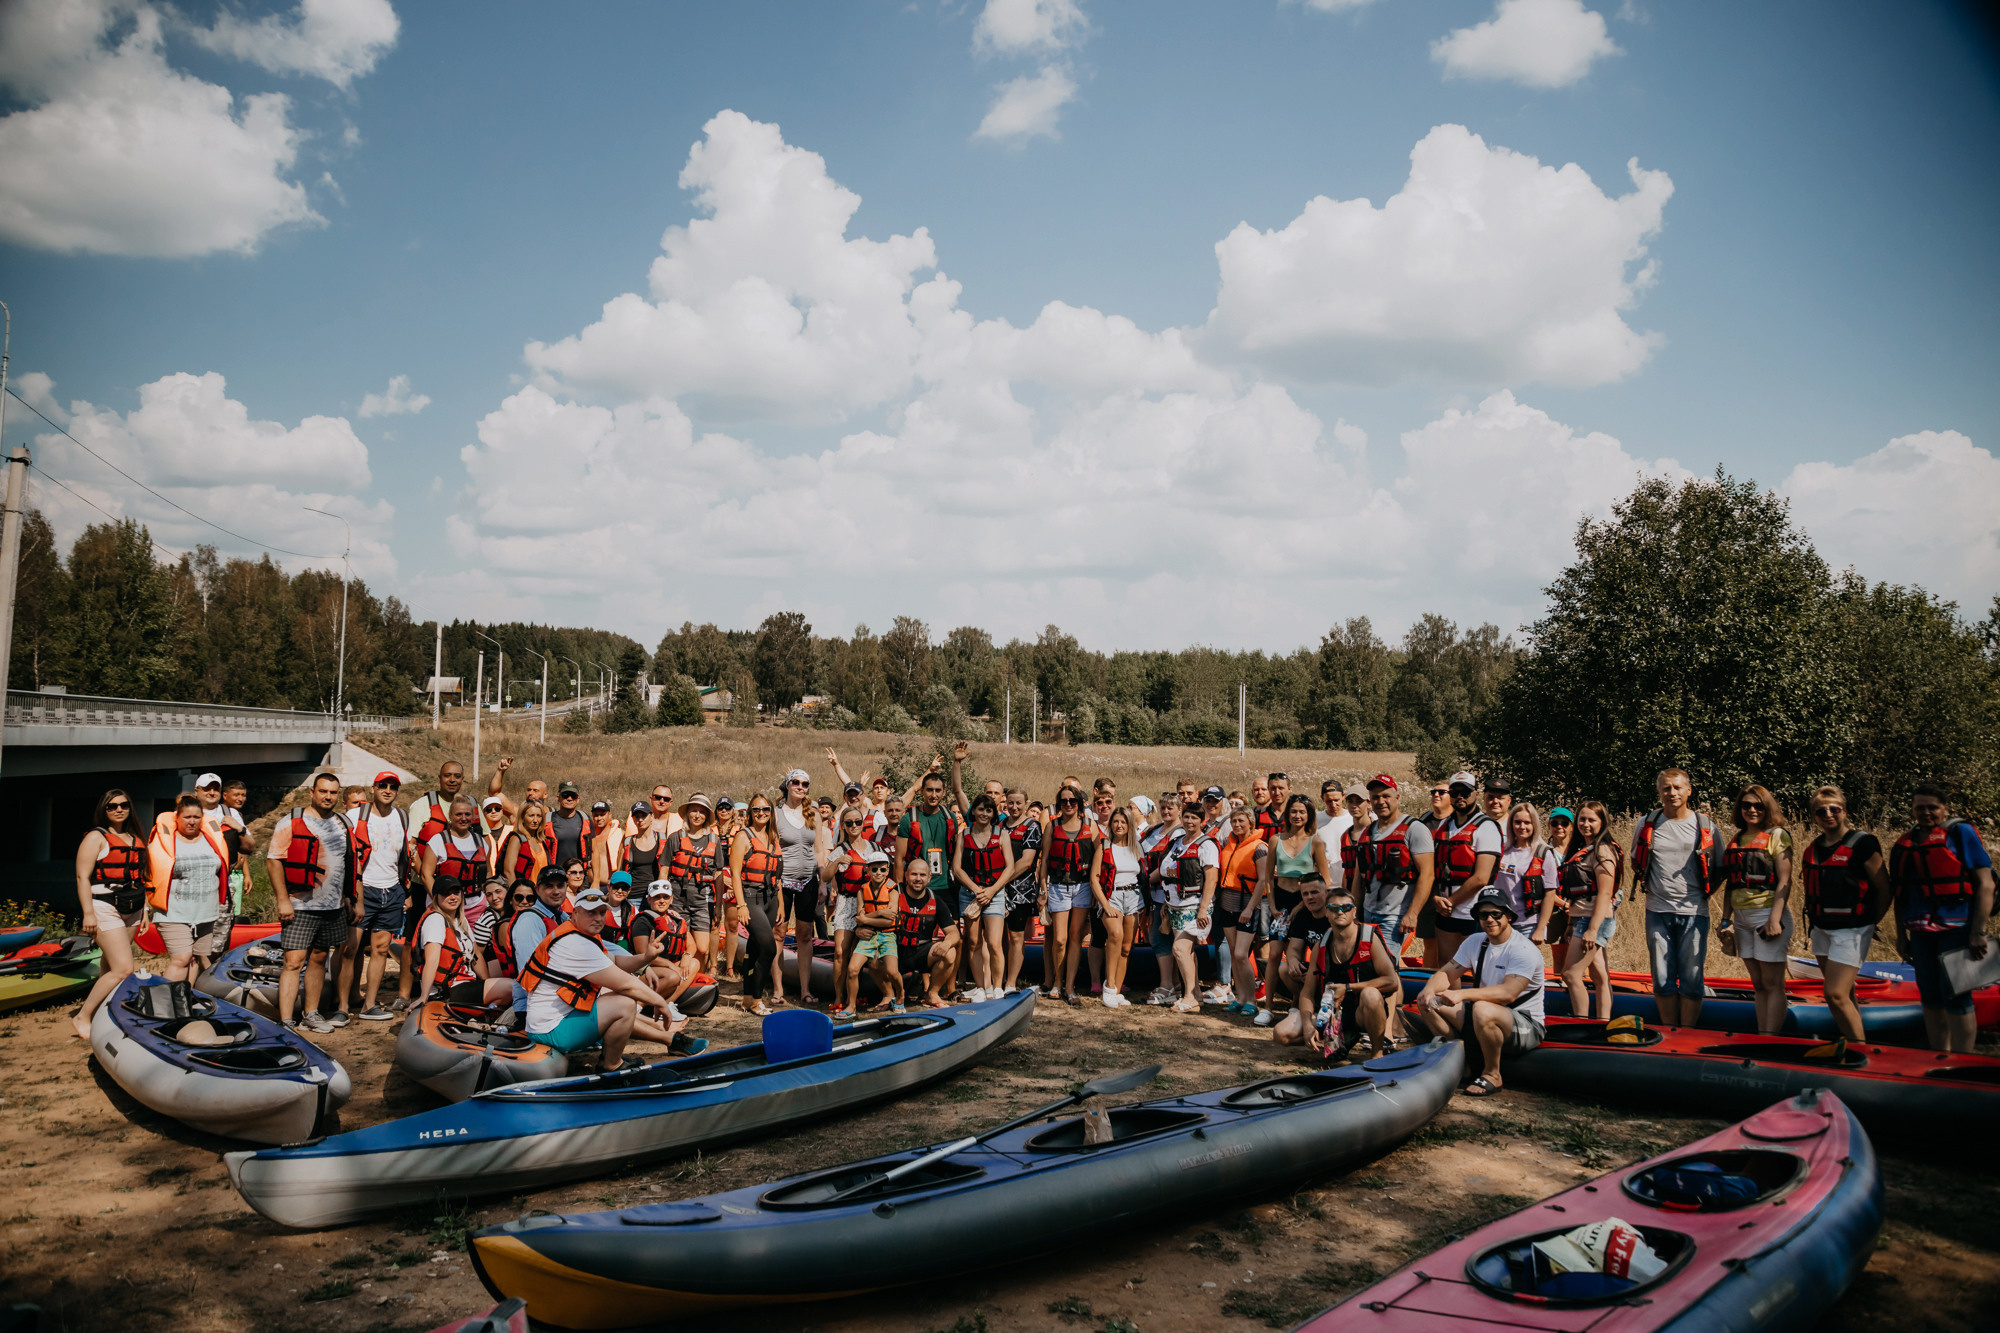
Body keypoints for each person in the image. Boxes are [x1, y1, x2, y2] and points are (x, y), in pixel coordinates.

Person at [520, 886, 681, 1072]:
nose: (598, 918)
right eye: (591, 913)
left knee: (620, 998)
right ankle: (611, 1065)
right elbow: (626, 985)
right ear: (575, 913)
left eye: (602, 912)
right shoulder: (575, 943)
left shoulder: (581, 934)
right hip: (550, 1030)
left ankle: (613, 1057)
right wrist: (659, 1002)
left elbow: (618, 961)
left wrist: (646, 957)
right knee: (624, 1003)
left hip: (553, 1022)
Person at [1891, 785, 1996, 1052]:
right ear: (1912, 809)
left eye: (1932, 807)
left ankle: (1963, 1060)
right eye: (1920, 807)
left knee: (1957, 996)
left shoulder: (1961, 833)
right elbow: (1900, 895)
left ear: (1945, 809)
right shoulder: (1905, 843)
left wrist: (1978, 932)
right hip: (1920, 933)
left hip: (1958, 930)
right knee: (1930, 996)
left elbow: (1986, 884)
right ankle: (1939, 1056)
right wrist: (1901, 937)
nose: (1926, 812)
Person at [1415, 886, 1545, 1096]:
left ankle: (1493, 1074)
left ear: (1509, 916)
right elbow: (1447, 973)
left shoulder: (1522, 949)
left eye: (1496, 914)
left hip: (1525, 1023)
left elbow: (1508, 993)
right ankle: (1462, 1064)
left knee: (1482, 1008)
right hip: (1485, 1014)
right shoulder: (1475, 941)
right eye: (1483, 915)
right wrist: (1428, 990)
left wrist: (1461, 994)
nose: (1490, 919)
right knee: (1427, 1002)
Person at [1800, 785, 1891, 1043]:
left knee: (1835, 994)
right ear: (1814, 816)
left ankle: (1861, 1050)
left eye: (1834, 809)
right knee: (1846, 994)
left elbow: (1885, 889)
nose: (1828, 814)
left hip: (1852, 929)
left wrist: (1871, 922)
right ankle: (1853, 1043)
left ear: (1844, 811)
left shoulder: (1863, 844)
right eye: (1821, 811)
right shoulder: (1813, 848)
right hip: (1821, 929)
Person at [1631, 768, 1719, 1028]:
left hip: (1694, 912)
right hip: (1657, 911)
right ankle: (1670, 1031)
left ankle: (1687, 1032)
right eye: (1666, 788)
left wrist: (1705, 894)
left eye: (1677, 787)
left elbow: (1720, 866)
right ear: (1659, 792)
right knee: (1661, 978)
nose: (1672, 793)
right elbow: (1636, 860)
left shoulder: (1705, 825)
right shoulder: (1647, 823)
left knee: (1692, 978)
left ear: (1688, 791)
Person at [266, 772, 352, 1032]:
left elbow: (350, 861)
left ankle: (311, 1015)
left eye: (333, 792)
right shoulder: (291, 821)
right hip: (300, 904)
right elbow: (274, 860)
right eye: (323, 791)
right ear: (312, 793)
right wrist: (283, 900)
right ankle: (286, 1021)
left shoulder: (342, 823)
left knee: (319, 958)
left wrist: (350, 897)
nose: (328, 797)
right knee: (293, 961)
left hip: (332, 905)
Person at [1717, 785, 1796, 1036]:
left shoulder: (1777, 835)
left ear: (1767, 807)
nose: (1752, 810)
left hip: (1767, 915)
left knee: (1773, 983)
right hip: (1741, 919)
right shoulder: (1737, 839)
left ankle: (1770, 1039)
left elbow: (1785, 881)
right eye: (1747, 805)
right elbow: (1732, 883)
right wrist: (1725, 919)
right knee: (1759, 984)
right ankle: (1763, 1033)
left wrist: (1775, 919)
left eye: (1758, 805)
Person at [70, 789, 148, 1037]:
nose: (118, 809)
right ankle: (82, 1017)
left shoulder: (134, 838)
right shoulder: (96, 837)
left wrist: (145, 910)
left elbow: (140, 877)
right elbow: (82, 877)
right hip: (104, 906)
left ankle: (102, 1013)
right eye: (112, 806)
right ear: (104, 810)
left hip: (133, 907)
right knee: (123, 968)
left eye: (123, 805)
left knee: (110, 963)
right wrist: (88, 913)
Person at [1297, 884, 1403, 1060]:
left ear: (1354, 912)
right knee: (1283, 1034)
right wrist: (1307, 1024)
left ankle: (1377, 1053)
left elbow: (1392, 982)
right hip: (1333, 1014)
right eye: (1333, 908)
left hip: (1363, 1012)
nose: (1340, 912)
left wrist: (1348, 988)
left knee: (1370, 994)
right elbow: (1306, 993)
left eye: (1346, 908)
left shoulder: (1369, 938)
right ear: (1326, 912)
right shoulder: (1321, 945)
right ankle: (1338, 1039)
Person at [1253, 794, 1331, 1027]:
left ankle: (1296, 1004)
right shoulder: (1276, 839)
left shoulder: (1315, 842)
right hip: (1281, 902)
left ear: (1309, 815)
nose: (1297, 816)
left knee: (1298, 952)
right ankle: (1268, 1007)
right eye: (1294, 811)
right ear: (1287, 814)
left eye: (1302, 812)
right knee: (1274, 954)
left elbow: (1325, 879)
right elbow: (1268, 877)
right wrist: (1272, 905)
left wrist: (1302, 905)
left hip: (1305, 901)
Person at [349, 772, 412, 1021]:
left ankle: (369, 1004)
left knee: (381, 949)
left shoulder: (402, 817)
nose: (387, 790)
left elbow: (405, 856)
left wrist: (405, 891)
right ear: (373, 788)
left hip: (392, 889)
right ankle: (342, 1005)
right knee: (350, 949)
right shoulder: (355, 815)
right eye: (382, 785)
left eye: (392, 787)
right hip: (363, 889)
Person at [1555, 801, 1622, 1022]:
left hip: (1594, 919)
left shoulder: (1603, 850)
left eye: (1592, 820)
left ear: (1602, 822)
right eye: (1582, 819)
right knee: (1599, 976)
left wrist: (1592, 929)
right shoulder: (1582, 849)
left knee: (1571, 974)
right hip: (1580, 917)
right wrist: (1570, 924)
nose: (1586, 824)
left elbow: (1605, 893)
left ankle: (1581, 1022)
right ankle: (1603, 1022)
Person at [1354, 775, 1432, 954]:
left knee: (1386, 965)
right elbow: (1359, 878)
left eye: (1386, 796)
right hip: (1368, 913)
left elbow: (1427, 875)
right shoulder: (1367, 832)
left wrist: (1412, 913)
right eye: (1375, 797)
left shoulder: (1415, 829)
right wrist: (1354, 912)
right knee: (1367, 963)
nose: (1381, 801)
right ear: (1370, 802)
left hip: (1395, 916)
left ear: (1397, 798)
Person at [1432, 772, 1502, 969]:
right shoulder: (1444, 825)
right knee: (1447, 965)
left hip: (1474, 911)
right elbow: (1433, 868)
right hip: (1445, 911)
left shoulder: (1486, 827)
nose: (1460, 796)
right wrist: (1436, 898)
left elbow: (1481, 877)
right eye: (1455, 792)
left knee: (1478, 966)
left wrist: (1450, 902)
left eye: (1465, 792)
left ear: (1476, 794)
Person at [1156, 799, 1218, 1015]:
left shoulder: (1206, 845)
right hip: (1175, 905)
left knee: (1180, 949)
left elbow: (1211, 879)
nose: (1190, 821)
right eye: (1187, 817)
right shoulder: (1177, 842)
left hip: (1194, 905)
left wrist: (1203, 910)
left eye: (1194, 818)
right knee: (1187, 952)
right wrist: (1167, 902)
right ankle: (1196, 994)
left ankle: (1189, 997)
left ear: (1202, 821)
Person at [952, 792, 1014, 1002]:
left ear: (993, 813)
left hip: (994, 894)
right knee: (973, 942)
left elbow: (1009, 867)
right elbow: (957, 868)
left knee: (995, 943)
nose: (984, 814)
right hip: (969, 894)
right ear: (973, 812)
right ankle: (980, 987)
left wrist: (991, 890)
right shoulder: (964, 835)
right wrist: (975, 889)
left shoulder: (1002, 835)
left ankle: (997, 987)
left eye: (988, 810)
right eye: (980, 809)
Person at [414, 879, 514, 1008]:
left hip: (466, 981)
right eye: (446, 894)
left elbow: (476, 955)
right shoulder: (435, 920)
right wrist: (424, 996)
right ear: (436, 897)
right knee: (512, 987)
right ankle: (488, 1011)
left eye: (456, 893)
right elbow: (432, 960)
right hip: (446, 990)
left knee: (506, 979)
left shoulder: (459, 920)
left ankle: (487, 1011)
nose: (452, 897)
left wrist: (488, 983)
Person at [1039, 789, 1097, 1004]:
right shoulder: (1052, 826)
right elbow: (1045, 860)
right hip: (1057, 885)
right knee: (1059, 939)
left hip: (1083, 886)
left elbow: (1100, 856)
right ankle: (1057, 981)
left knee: (1075, 936)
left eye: (1072, 800)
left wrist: (1098, 889)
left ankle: (1070, 987)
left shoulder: (1090, 826)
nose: (1068, 804)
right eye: (1063, 801)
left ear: (1079, 803)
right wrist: (1042, 890)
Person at [733, 795, 787, 1016]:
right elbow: (735, 873)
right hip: (751, 897)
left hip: (771, 899)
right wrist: (741, 905)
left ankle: (747, 999)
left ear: (771, 812)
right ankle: (757, 1000)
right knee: (768, 948)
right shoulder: (743, 836)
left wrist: (781, 904)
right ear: (750, 813)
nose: (761, 813)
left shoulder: (773, 838)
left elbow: (777, 877)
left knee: (754, 950)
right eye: (756, 809)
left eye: (766, 809)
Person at [663, 795, 724, 982]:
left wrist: (719, 906)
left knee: (702, 948)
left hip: (702, 899)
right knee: (680, 944)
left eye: (702, 812)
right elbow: (664, 870)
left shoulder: (714, 840)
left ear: (706, 816)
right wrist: (663, 898)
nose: (697, 815)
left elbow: (718, 874)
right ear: (687, 813)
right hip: (677, 898)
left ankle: (698, 980)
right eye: (694, 811)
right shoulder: (675, 838)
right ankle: (681, 982)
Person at [1271, 875, 1337, 1047]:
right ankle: (1313, 1014)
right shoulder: (1303, 916)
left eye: (1314, 892)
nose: (1310, 897)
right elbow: (1293, 948)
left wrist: (1317, 975)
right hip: (1315, 977)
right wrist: (1293, 961)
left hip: (1337, 983)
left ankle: (1335, 1025)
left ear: (1326, 892)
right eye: (1305, 894)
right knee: (1285, 968)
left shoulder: (1337, 916)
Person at [1215, 806, 1269, 1015]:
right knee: (1233, 951)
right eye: (1234, 821)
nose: (1236, 825)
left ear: (1251, 823)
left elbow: (1263, 880)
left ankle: (1251, 1000)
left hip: (1247, 905)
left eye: (1241, 821)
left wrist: (1249, 908)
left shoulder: (1259, 848)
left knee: (1240, 954)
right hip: (1227, 903)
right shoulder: (1229, 844)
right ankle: (1240, 997)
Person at [1092, 805, 1144, 1008]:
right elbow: (1094, 879)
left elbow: (1143, 875)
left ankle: (1117, 991)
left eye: (1123, 822)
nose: (1119, 825)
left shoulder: (1136, 847)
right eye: (1115, 821)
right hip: (1111, 895)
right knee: (1115, 935)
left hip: (1133, 897)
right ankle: (1109, 986)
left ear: (1130, 825)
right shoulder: (1104, 846)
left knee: (1126, 947)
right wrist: (1104, 905)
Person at [774, 768, 823, 982]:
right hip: (782, 881)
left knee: (805, 935)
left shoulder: (814, 814)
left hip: (808, 880)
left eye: (805, 784)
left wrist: (823, 881)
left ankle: (805, 990)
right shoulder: (775, 813)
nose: (800, 787)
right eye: (795, 782)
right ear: (787, 785)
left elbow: (819, 850)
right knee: (779, 933)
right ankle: (778, 989)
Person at [889, 859, 959, 1008]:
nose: (918, 878)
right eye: (914, 874)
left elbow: (954, 933)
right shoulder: (893, 893)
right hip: (894, 951)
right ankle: (887, 995)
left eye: (922, 875)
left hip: (921, 952)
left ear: (929, 878)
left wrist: (946, 943)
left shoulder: (936, 900)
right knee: (874, 957)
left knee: (950, 952)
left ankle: (932, 994)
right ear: (906, 875)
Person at [998, 787, 1043, 996]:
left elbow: (1026, 861)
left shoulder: (1032, 826)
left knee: (1016, 937)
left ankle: (1011, 982)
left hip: (1020, 890)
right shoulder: (999, 825)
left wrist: (1000, 881)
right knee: (998, 937)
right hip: (998, 890)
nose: (1014, 807)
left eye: (1018, 803)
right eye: (1011, 803)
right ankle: (997, 980)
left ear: (1026, 804)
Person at [1494, 803, 1559, 944]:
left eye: (1527, 822)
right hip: (1500, 920)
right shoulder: (1501, 850)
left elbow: (1550, 893)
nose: (1522, 827)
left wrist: (1541, 928)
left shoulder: (1543, 853)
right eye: (1517, 822)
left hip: (1528, 924)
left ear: (1534, 824)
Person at [849, 850, 904, 1011]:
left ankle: (900, 994)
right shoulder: (862, 891)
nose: (878, 873)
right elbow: (859, 917)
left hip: (888, 935)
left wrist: (865, 919)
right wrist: (880, 912)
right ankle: (851, 1006)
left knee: (892, 971)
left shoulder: (893, 891)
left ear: (888, 870)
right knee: (852, 969)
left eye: (882, 869)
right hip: (868, 935)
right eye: (874, 869)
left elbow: (889, 920)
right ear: (868, 870)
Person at [547, 782, 595, 885]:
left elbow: (595, 851)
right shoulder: (548, 820)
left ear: (578, 799)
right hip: (555, 876)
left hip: (579, 877)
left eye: (573, 796)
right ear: (558, 798)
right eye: (565, 795)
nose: (569, 798)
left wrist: (596, 881)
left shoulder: (585, 819)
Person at [499, 800, 556, 886]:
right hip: (525, 892)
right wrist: (516, 892)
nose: (535, 820)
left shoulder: (543, 841)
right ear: (522, 817)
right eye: (531, 815)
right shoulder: (516, 840)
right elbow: (508, 872)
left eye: (539, 816)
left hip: (543, 891)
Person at [471, 878, 518, 973]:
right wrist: (486, 978)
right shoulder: (487, 919)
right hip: (496, 971)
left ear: (508, 892)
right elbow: (477, 956)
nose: (494, 898)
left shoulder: (514, 911)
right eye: (489, 895)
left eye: (498, 892)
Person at [589, 801, 625, 887]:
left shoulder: (621, 834)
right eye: (596, 815)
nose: (599, 818)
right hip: (592, 885)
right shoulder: (589, 836)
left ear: (609, 815)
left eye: (602, 815)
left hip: (613, 885)